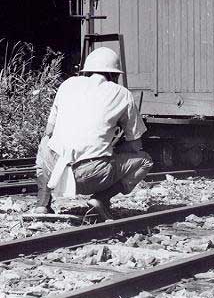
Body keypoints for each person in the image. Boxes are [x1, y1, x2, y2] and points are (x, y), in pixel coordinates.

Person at [34, 47, 153, 220]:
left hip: (55, 171)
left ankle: (42, 204)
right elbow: (135, 145)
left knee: (45, 142)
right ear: (114, 75)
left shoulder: (67, 84)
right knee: (145, 160)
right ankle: (101, 199)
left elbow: (49, 131)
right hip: (90, 177)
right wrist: (111, 150)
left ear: (87, 70)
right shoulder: (123, 94)